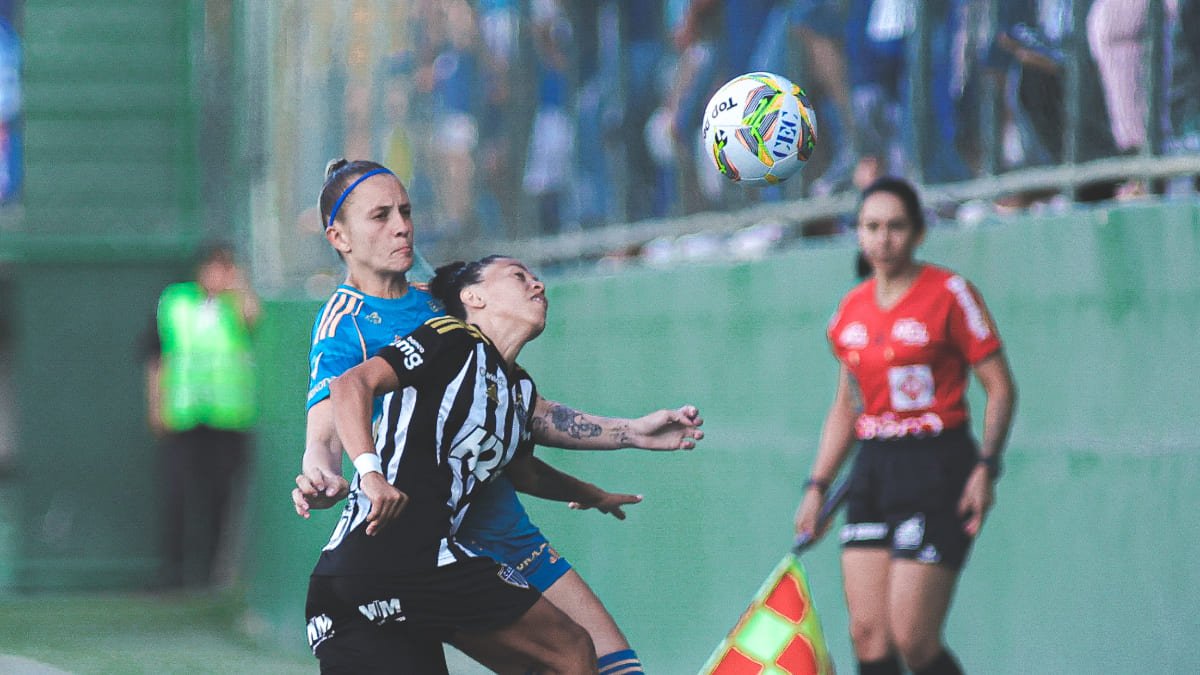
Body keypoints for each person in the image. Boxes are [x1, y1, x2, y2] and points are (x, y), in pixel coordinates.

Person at [293, 159, 703, 673]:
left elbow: (519, 412)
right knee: (571, 656)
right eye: (381, 216)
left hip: (491, 520)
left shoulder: (440, 302)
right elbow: (329, 423)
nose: (402, 226)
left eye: (406, 211)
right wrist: (326, 473)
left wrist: (629, 434)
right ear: (339, 237)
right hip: (413, 534)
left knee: (606, 663)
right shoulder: (352, 324)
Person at [308, 255, 600, 672]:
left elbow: (526, 472)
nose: (537, 285)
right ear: (473, 297)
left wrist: (594, 494)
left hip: (347, 581)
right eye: (519, 276)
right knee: (571, 650)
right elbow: (349, 383)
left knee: (553, 660)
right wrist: (369, 472)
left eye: (536, 278)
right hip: (401, 557)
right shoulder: (453, 336)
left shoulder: (516, 388)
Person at [794, 177, 1016, 675]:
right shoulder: (850, 311)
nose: (883, 239)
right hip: (873, 471)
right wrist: (817, 486)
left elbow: (1000, 387)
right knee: (868, 634)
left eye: (896, 227)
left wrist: (986, 468)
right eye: (871, 227)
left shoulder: (950, 293)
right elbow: (846, 406)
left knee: (912, 636)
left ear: (918, 233)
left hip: (939, 465)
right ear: (857, 233)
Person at [143, 242, 259, 589]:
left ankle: (211, 575)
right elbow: (156, 356)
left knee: (220, 499)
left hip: (227, 420)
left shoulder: (236, 305)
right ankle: (173, 573)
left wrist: (240, 286)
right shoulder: (175, 302)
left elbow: (253, 318)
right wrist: (156, 405)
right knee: (177, 496)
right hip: (184, 417)